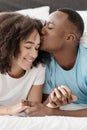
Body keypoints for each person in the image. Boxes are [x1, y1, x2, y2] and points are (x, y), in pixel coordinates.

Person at [24, 8, 87, 117]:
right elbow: (45, 105)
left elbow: (48, 111)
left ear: (69, 38)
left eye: (50, 27)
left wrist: (54, 112)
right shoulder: (45, 64)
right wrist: (52, 102)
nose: (42, 31)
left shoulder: (84, 63)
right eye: (44, 25)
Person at [0, 12, 50, 116]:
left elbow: (33, 108)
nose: (34, 54)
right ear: (10, 45)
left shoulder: (38, 67)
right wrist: (8, 110)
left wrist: (50, 104)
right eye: (28, 47)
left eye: (37, 48)